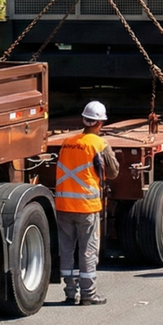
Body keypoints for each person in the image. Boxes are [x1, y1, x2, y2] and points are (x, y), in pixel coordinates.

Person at [54, 101, 119, 305]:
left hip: (64, 205)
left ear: (84, 120)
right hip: (86, 206)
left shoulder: (67, 141)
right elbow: (113, 172)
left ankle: (70, 293)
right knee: (88, 250)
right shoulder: (99, 144)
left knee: (67, 249)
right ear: (99, 123)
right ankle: (89, 295)